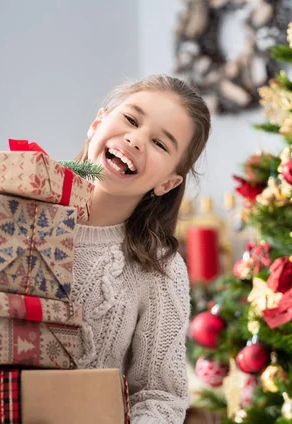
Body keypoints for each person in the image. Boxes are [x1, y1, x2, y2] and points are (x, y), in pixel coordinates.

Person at [72, 74, 211, 423]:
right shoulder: (12, 211)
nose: (135, 139)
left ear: (168, 182)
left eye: (161, 144)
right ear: (97, 123)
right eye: (131, 120)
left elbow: (160, 397)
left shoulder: (159, 270)